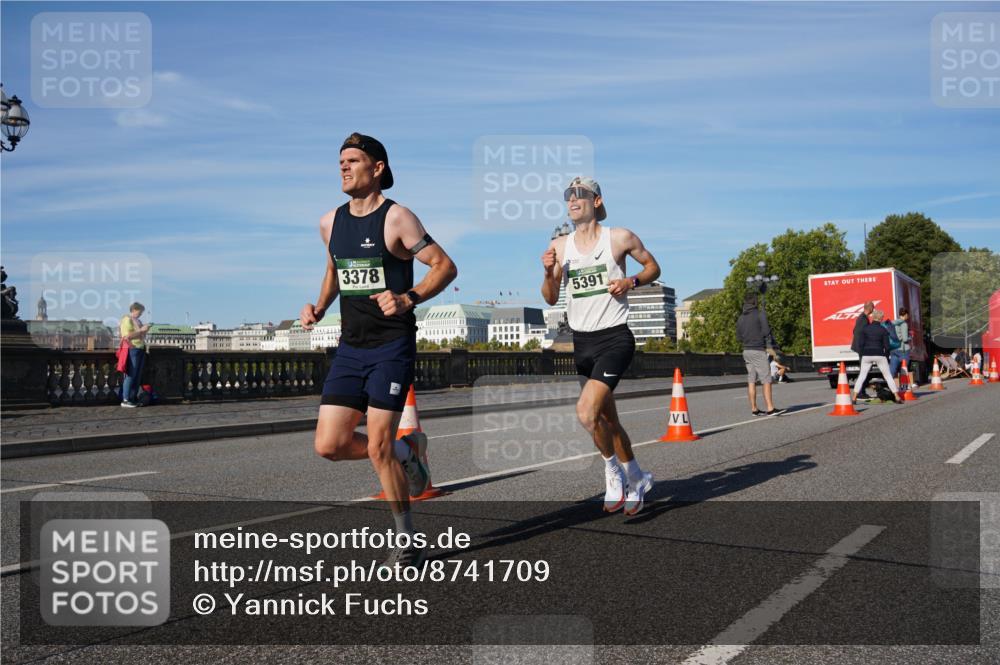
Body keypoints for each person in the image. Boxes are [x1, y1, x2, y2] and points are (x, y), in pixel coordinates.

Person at [301, 133, 457, 569]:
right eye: (340, 162)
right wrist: (319, 306)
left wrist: (409, 297)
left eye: (353, 161)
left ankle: (406, 540)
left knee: (377, 446)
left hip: (391, 346)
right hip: (351, 346)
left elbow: (445, 266)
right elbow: (334, 270)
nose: (344, 168)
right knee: (328, 445)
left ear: (378, 168)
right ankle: (408, 453)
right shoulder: (329, 222)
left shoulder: (397, 219)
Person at [540, 176, 661, 516]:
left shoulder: (618, 237)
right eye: (568, 195)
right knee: (605, 420)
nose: (572, 199)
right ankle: (637, 476)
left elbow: (653, 266)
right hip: (582, 342)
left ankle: (612, 472)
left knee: (585, 412)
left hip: (614, 337)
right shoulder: (561, 245)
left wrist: (630, 281)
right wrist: (548, 273)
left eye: (580, 194)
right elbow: (550, 297)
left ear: (596, 201)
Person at [737, 292, 784, 416]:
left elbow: (739, 337)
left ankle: (754, 409)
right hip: (758, 349)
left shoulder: (741, 317)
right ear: (755, 302)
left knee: (751, 380)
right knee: (766, 379)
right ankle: (770, 408)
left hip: (746, 351)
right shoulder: (759, 314)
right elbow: (766, 332)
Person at [851, 309, 902, 404]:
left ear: (872, 317)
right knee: (888, 376)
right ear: (881, 318)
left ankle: (854, 398)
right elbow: (887, 346)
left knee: (862, 376)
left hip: (866, 355)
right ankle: (897, 396)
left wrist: (863, 354)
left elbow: (860, 344)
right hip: (879, 355)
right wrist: (886, 356)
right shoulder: (883, 330)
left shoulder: (865, 329)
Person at [119, 302, 150, 408]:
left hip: (140, 349)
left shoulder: (138, 321)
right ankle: (126, 399)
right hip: (132, 349)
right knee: (130, 375)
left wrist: (145, 330)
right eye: (140, 312)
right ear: (134, 310)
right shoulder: (127, 320)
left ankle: (132, 398)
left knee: (137, 376)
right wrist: (141, 330)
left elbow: (141, 335)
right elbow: (127, 336)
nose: (141, 314)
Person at [851, 300, 875, 396]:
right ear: (870, 308)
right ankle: (861, 392)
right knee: (864, 370)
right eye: (873, 308)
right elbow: (861, 333)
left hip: (860, 347)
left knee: (864, 370)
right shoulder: (863, 319)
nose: (873, 310)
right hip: (862, 348)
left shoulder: (861, 318)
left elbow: (854, 331)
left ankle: (861, 391)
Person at [888, 307, 911, 380]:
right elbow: (904, 339)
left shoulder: (892, 323)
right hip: (903, 349)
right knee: (904, 369)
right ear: (906, 315)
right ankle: (903, 386)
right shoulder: (904, 324)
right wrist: (910, 337)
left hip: (893, 348)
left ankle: (890, 386)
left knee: (892, 370)